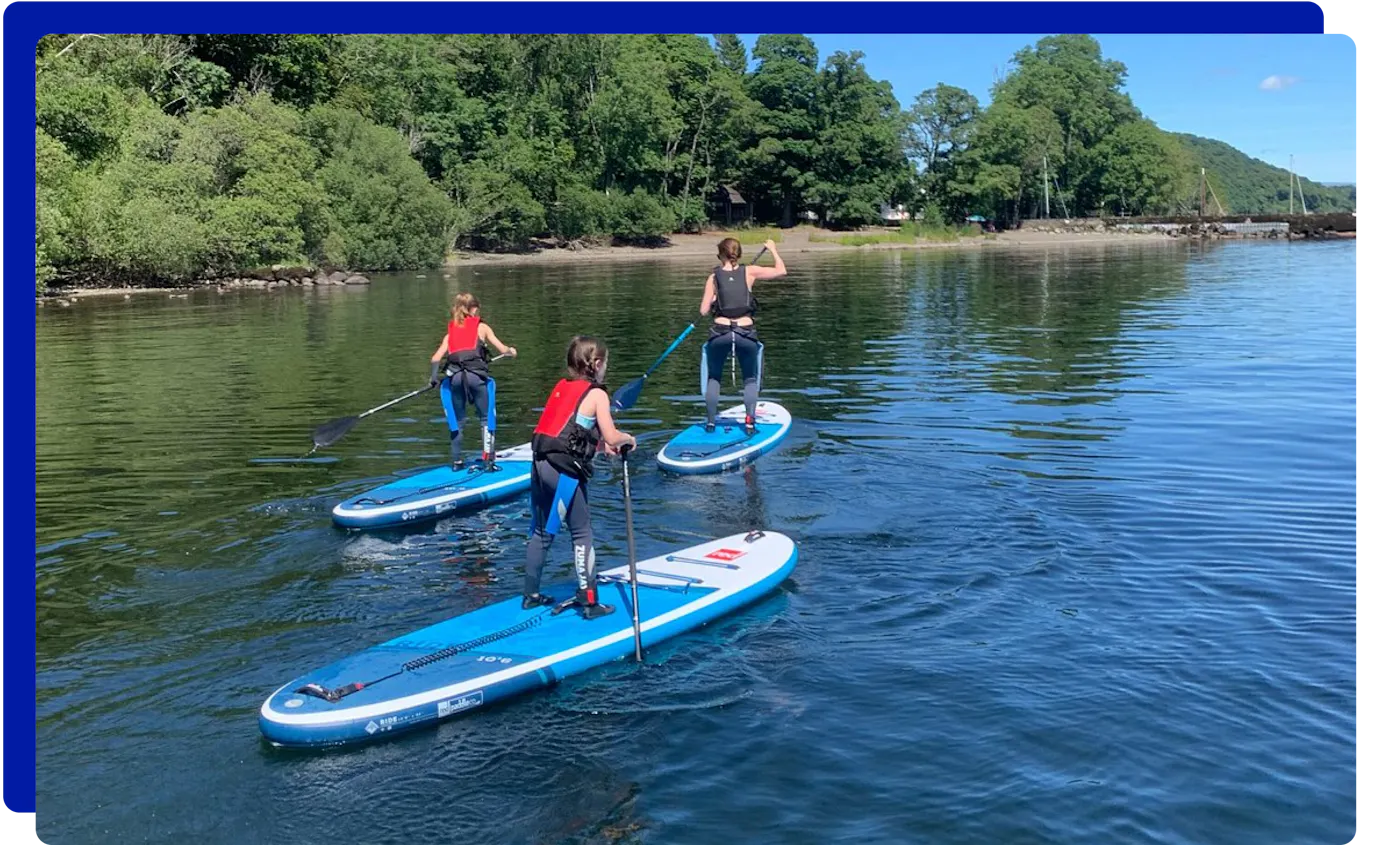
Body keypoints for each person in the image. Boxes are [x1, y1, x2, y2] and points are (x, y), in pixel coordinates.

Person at [521, 336, 637, 618]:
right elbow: (612, 434)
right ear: (596, 364)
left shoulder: (561, 387)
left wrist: (599, 446)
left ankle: (531, 596)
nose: (606, 368)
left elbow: (570, 428)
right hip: (564, 471)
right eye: (605, 363)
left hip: (539, 464)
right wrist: (626, 439)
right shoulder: (598, 394)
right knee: (582, 532)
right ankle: (589, 602)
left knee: (541, 532)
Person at [699, 237, 786, 434]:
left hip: (720, 333)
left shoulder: (713, 278)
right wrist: (773, 249)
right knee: (749, 379)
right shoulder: (750, 271)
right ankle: (749, 423)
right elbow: (781, 270)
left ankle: (711, 423)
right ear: (738, 254)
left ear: (720, 254)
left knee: (714, 377)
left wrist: (714, 298)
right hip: (746, 334)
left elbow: (704, 311)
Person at [428, 293, 516, 471]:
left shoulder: (450, 332)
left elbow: (435, 359)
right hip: (476, 378)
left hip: (455, 379)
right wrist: (511, 352)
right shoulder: (482, 327)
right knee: (485, 418)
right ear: (473, 309)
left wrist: (434, 379)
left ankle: (456, 463)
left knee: (459, 421)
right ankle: (489, 462)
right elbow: (502, 349)